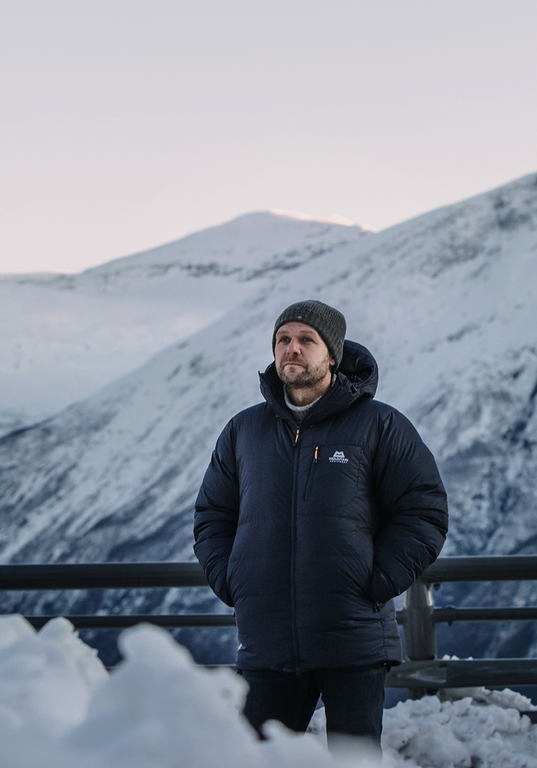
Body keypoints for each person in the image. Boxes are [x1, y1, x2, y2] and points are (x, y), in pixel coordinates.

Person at [193, 299, 448, 753]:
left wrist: (376, 580)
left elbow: (423, 510)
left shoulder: (379, 425)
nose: (292, 349)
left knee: (353, 762)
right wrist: (233, 580)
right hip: (267, 639)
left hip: (352, 638)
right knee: (255, 759)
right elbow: (212, 515)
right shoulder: (243, 431)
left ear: (332, 354)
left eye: (306, 340)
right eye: (283, 340)